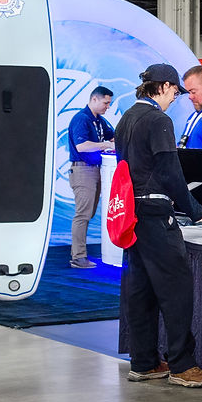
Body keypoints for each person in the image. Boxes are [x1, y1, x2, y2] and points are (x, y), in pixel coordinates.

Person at [115, 63, 202, 387]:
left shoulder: (126, 118)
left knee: (140, 291)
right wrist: (196, 210)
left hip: (133, 215)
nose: (175, 98)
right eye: (174, 92)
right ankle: (182, 366)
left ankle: (143, 362)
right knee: (176, 291)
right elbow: (171, 172)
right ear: (166, 87)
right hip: (157, 216)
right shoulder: (158, 120)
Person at [67, 86, 115, 269]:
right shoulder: (81, 119)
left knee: (88, 213)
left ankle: (79, 254)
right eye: (105, 103)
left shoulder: (100, 121)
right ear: (94, 99)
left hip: (95, 169)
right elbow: (82, 146)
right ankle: (78, 257)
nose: (107, 107)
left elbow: (113, 138)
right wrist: (105, 145)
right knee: (83, 215)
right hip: (83, 170)